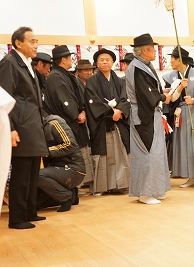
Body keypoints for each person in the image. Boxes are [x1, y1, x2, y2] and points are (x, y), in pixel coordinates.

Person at [0, 26, 49, 229]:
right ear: (18, 43)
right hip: (20, 125)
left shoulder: (28, 63)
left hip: (32, 124)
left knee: (31, 170)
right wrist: (10, 128)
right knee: (21, 172)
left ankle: (30, 211)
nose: (35, 45)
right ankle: (18, 217)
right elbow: (4, 98)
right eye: (32, 41)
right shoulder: (9, 63)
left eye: (36, 41)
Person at [126, 33, 171, 204]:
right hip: (144, 116)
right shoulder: (137, 67)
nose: (155, 52)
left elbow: (151, 91)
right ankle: (145, 193)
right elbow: (146, 94)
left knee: (157, 152)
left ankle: (156, 188)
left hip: (152, 114)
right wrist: (161, 97)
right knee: (147, 153)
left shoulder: (144, 65)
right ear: (144, 50)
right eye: (152, 49)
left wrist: (161, 94)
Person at [46, 46, 94, 188]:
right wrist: (76, 114)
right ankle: (74, 183)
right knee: (71, 151)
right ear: (63, 59)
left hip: (74, 117)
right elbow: (64, 99)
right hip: (67, 120)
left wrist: (83, 110)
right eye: (69, 57)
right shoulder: (55, 76)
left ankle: (81, 182)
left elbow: (77, 96)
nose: (71, 60)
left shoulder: (65, 74)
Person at [163, 46, 194, 188]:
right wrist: (179, 89)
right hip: (179, 113)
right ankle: (190, 177)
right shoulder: (171, 77)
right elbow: (169, 98)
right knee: (183, 144)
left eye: (172, 58)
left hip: (193, 112)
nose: (170, 61)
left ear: (180, 60)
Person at [85, 48, 130, 195]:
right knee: (103, 154)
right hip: (102, 123)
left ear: (112, 62)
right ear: (97, 63)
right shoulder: (92, 81)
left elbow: (125, 98)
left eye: (108, 60)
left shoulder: (119, 80)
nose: (105, 62)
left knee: (120, 151)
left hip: (119, 122)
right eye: (101, 60)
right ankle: (101, 186)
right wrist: (111, 112)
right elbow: (92, 102)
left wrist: (120, 110)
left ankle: (121, 184)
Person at [36, 115, 85, 212]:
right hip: (54, 169)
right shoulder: (35, 128)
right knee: (33, 205)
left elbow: (70, 145)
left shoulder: (54, 122)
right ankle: (72, 194)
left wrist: (44, 151)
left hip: (73, 168)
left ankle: (66, 197)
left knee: (37, 176)